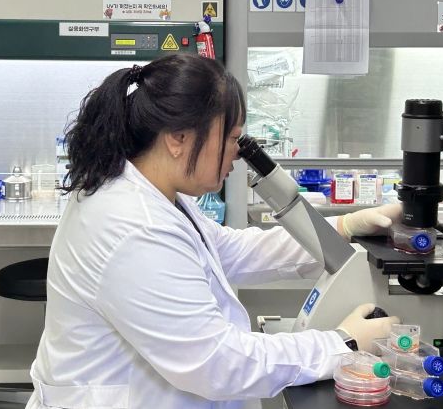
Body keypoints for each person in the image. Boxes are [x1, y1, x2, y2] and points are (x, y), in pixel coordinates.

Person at [26, 54, 400, 409]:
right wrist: (343, 344)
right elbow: (216, 362)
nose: (236, 154)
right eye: (231, 138)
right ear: (178, 138)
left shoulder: (154, 194)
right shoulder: (135, 226)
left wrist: (345, 227)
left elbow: (229, 249)